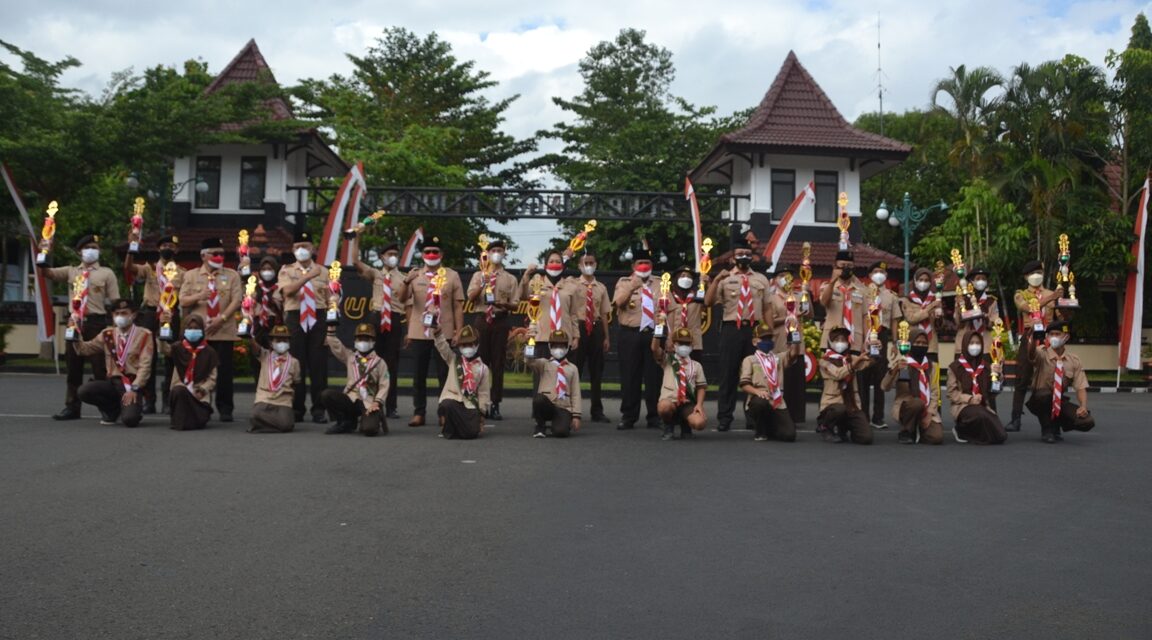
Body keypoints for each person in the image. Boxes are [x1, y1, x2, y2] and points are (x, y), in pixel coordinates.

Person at [41, 233, 120, 420]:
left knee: (100, 367)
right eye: (87, 247)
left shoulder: (106, 273)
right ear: (79, 252)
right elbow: (46, 273)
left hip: (96, 322)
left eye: (94, 247)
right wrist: (45, 250)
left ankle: (106, 406)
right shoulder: (71, 271)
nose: (91, 250)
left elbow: (115, 301)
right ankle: (72, 406)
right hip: (74, 322)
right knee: (73, 366)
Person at [704, 238, 772, 431]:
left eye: (748, 254)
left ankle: (752, 416)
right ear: (733, 258)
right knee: (728, 373)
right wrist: (716, 279)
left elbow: (766, 307)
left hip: (754, 330)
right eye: (740, 254)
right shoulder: (725, 278)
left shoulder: (761, 279)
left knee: (753, 374)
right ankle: (725, 417)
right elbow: (708, 302)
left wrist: (768, 333)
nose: (744, 257)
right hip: (731, 328)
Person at [401, 237, 465, 427]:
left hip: (443, 331)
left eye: (435, 252)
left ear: (441, 254)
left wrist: (458, 331)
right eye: (427, 251)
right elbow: (402, 299)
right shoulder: (414, 275)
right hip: (419, 331)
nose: (431, 255)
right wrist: (406, 281)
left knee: (444, 375)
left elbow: (458, 306)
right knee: (418, 374)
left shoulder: (451, 276)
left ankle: (443, 412)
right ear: (422, 255)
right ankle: (419, 412)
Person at [179, 237, 242, 422]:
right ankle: (200, 404)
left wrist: (220, 319)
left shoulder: (232, 275)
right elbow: (182, 300)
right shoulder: (191, 275)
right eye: (215, 253)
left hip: (223, 330)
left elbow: (236, 301)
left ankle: (225, 408)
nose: (219, 256)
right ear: (203, 255)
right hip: (199, 333)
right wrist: (199, 295)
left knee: (224, 372)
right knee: (199, 371)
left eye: (222, 253)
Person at [125, 234, 184, 414]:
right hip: (150, 314)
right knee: (147, 358)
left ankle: (168, 399)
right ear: (159, 249)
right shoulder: (149, 269)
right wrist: (132, 246)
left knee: (171, 358)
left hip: (171, 315)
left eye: (171, 246)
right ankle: (148, 400)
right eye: (164, 245)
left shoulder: (182, 272)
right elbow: (128, 267)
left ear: (176, 250)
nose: (168, 248)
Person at [277, 232, 332, 423]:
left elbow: (331, 299)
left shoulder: (324, 271)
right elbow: (288, 291)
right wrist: (308, 276)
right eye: (298, 246)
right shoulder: (287, 270)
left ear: (313, 249)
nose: (302, 250)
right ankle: (297, 409)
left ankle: (319, 410)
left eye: (306, 246)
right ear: (293, 250)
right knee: (297, 364)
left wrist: (331, 325)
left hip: (318, 316)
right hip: (295, 316)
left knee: (318, 366)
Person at [349, 241, 406, 419]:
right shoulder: (376, 274)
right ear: (382, 257)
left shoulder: (404, 277)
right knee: (371, 361)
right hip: (376, 316)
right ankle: (368, 401)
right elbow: (355, 262)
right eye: (389, 254)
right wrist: (356, 238)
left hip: (394, 318)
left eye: (395, 254)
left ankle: (391, 406)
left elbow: (407, 301)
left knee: (391, 363)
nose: (392, 257)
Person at [74, 298, 153, 428]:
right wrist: (75, 333)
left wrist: (135, 388)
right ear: (112, 315)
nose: (120, 316)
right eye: (117, 313)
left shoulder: (144, 335)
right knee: (84, 391)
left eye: (124, 313)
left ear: (133, 315)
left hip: (132, 383)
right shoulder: (107, 334)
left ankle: (131, 408)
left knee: (130, 420)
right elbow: (84, 350)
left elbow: (145, 365)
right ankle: (112, 409)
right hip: (113, 382)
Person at [466, 239, 519, 421]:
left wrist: (503, 304)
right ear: (487, 254)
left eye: (500, 250)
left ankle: (495, 404)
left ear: (504, 254)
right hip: (482, 319)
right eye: (493, 250)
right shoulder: (478, 275)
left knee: (498, 364)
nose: (496, 253)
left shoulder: (510, 278)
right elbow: (471, 298)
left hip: (500, 320)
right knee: (479, 362)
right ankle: (478, 403)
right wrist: (483, 283)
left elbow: (515, 305)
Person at [613, 248, 663, 430]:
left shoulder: (659, 283)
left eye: (647, 263)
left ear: (652, 266)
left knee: (654, 377)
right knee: (629, 376)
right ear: (633, 266)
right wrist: (633, 286)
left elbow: (668, 308)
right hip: (630, 333)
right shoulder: (624, 282)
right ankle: (628, 416)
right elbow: (618, 303)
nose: (644, 266)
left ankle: (654, 415)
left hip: (653, 334)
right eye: (640, 263)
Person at [1009, 260, 1061, 432]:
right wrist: (1051, 298)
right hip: (1030, 337)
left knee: (1050, 380)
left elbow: (1061, 316)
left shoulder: (1053, 293)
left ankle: (1053, 421)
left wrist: (1065, 303)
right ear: (1026, 277)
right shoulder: (1021, 294)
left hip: (1048, 339)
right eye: (1032, 273)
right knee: (1021, 378)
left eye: (1039, 272)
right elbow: (1025, 307)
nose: (1036, 276)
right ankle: (1015, 419)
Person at [1024, 321, 1095, 443]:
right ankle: (1047, 430)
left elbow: (1081, 387)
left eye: (1058, 334)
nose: (1054, 337)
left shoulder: (1073, 360)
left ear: (1066, 336)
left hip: (1059, 400)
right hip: (1040, 399)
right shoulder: (1042, 352)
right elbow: (1031, 354)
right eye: (1051, 334)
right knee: (1045, 396)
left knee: (1087, 421)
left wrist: (1083, 407)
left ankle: (1057, 424)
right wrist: (1032, 336)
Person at [857, 261, 904, 430]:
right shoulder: (862, 292)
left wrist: (894, 342)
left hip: (882, 336)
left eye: (882, 272)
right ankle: (863, 414)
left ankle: (878, 417)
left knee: (880, 377)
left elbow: (894, 321)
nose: (879, 274)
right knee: (862, 375)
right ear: (869, 275)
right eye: (875, 271)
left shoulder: (891, 296)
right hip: (866, 335)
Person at [321, 322, 390, 436]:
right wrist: (331, 326)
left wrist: (377, 402)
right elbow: (335, 344)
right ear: (355, 341)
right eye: (360, 338)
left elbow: (384, 385)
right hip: (351, 398)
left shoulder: (380, 362)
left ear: (373, 341)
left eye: (366, 339)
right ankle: (344, 422)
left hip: (369, 402)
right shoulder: (350, 356)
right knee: (326, 395)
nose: (363, 342)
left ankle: (370, 419)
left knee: (369, 430)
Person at [567, 253, 612, 423]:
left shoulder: (600, 287)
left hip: (596, 327)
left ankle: (597, 410)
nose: (589, 265)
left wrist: (606, 337)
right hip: (578, 326)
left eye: (591, 263)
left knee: (597, 372)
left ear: (596, 264)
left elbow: (605, 314)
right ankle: (571, 408)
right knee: (574, 369)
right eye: (585, 263)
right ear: (579, 266)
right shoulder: (573, 284)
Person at [767, 264, 813, 424]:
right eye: (782, 276)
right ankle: (778, 413)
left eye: (789, 276)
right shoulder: (772, 298)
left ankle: (797, 416)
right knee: (780, 380)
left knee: (796, 382)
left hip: (796, 345)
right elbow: (769, 321)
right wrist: (788, 316)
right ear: (776, 280)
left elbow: (809, 314)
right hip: (779, 343)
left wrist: (807, 296)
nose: (786, 279)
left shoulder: (799, 296)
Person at [881, 329, 944, 445]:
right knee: (917, 403)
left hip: (927, 408)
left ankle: (918, 428)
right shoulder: (902, 363)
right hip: (908, 406)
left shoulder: (933, 366)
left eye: (924, 343)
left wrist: (930, 414)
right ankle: (906, 430)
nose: (921, 345)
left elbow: (935, 393)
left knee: (936, 437)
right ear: (909, 344)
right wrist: (895, 370)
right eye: (917, 343)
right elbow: (885, 387)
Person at [740, 323, 801, 443]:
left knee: (789, 435)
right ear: (754, 342)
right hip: (759, 397)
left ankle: (771, 428)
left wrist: (795, 336)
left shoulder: (778, 358)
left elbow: (794, 354)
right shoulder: (750, 360)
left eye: (769, 338)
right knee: (760, 404)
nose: (767, 341)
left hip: (777, 400)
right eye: (763, 339)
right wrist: (757, 391)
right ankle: (760, 429)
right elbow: (744, 384)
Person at [159, 315, 219, 431]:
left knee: (196, 417)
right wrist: (162, 332)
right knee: (179, 390)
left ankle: (191, 419)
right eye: (190, 328)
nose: (193, 331)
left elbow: (212, 378)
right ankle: (184, 420)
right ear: (184, 330)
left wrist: (202, 390)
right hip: (182, 390)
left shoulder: (209, 352)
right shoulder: (177, 347)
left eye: (196, 329)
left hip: (199, 396)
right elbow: (164, 349)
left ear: (201, 330)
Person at [946, 332, 1007, 444]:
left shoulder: (987, 366)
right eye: (972, 343)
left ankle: (973, 432)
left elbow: (993, 393)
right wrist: (970, 399)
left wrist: (998, 376)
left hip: (983, 405)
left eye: (978, 343)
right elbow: (951, 393)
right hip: (963, 406)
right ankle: (960, 430)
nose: (975, 346)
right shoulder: (955, 367)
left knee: (1001, 435)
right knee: (980, 416)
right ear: (965, 344)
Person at [816, 326, 873, 444]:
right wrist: (853, 365)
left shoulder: (851, 358)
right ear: (830, 342)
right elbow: (838, 374)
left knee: (866, 438)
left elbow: (867, 363)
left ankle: (846, 428)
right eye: (837, 340)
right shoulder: (824, 361)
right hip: (833, 403)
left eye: (843, 340)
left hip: (852, 404)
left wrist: (873, 350)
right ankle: (825, 426)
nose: (840, 343)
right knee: (839, 409)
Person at [434, 325, 490, 440]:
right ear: (459, 346)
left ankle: (458, 428)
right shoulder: (453, 360)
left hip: (470, 404)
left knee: (471, 433)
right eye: (464, 345)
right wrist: (438, 332)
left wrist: (482, 414)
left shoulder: (483, 368)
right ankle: (449, 426)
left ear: (477, 345)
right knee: (447, 404)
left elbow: (484, 393)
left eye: (471, 344)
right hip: (454, 400)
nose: (468, 348)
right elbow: (442, 347)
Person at [526, 329, 582, 438]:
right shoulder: (544, 364)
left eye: (561, 345)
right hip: (547, 404)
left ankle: (558, 424)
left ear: (567, 347)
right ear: (550, 347)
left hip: (563, 406)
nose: (558, 349)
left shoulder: (572, 368)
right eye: (555, 345)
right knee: (539, 399)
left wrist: (576, 416)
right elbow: (529, 361)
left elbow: (576, 393)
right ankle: (540, 426)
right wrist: (530, 342)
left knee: (561, 432)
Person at [654, 327, 707, 441]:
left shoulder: (696, 365)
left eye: (687, 344)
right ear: (673, 345)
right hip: (670, 401)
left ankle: (686, 426)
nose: (684, 347)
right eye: (680, 343)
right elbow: (654, 348)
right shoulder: (667, 360)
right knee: (664, 408)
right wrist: (658, 328)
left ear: (692, 346)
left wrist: (699, 405)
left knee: (700, 423)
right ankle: (668, 426)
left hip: (687, 403)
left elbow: (701, 387)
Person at [248, 324, 299, 434]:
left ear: (289, 343)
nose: (281, 343)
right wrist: (249, 338)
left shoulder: (294, 362)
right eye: (278, 340)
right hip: (264, 398)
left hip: (283, 401)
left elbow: (296, 383)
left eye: (284, 340)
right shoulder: (265, 356)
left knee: (286, 424)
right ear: (271, 343)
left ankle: (262, 427)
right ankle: (271, 426)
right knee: (254, 415)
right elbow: (255, 347)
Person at [818, 250, 868, 355]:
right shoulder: (827, 286)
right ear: (835, 266)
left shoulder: (862, 290)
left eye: (849, 265)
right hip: (832, 338)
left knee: (852, 370)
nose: (846, 268)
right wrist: (833, 280)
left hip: (855, 341)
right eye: (843, 265)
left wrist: (866, 340)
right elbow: (824, 302)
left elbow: (865, 317)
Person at [249, 255, 285, 381]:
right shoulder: (254, 288)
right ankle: (260, 390)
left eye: (270, 269)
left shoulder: (280, 288)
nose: (267, 272)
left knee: (276, 359)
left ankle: (276, 387)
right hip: (258, 327)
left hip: (275, 327)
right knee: (257, 359)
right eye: (263, 269)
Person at [900, 267, 945, 361]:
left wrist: (939, 317)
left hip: (931, 345)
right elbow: (911, 318)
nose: (923, 283)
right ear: (915, 281)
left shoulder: (935, 299)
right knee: (913, 372)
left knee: (932, 372)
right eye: (920, 280)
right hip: (913, 343)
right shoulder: (906, 300)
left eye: (926, 280)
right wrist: (929, 307)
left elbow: (939, 326)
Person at [662, 265, 705, 360]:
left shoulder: (698, 297)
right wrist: (668, 340)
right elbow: (664, 320)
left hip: (694, 344)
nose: (686, 279)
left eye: (689, 277)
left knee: (693, 372)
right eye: (683, 276)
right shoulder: (668, 296)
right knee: (673, 372)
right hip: (674, 343)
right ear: (676, 278)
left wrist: (707, 282)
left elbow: (710, 301)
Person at [953, 266, 1001, 349]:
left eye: (983, 279)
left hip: (985, 344)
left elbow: (994, 322)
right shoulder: (963, 299)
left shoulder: (991, 301)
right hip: (963, 343)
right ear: (971, 281)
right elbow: (957, 322)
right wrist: (960, 306)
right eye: (978, 279)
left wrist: (986, 318)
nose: (981, 281)